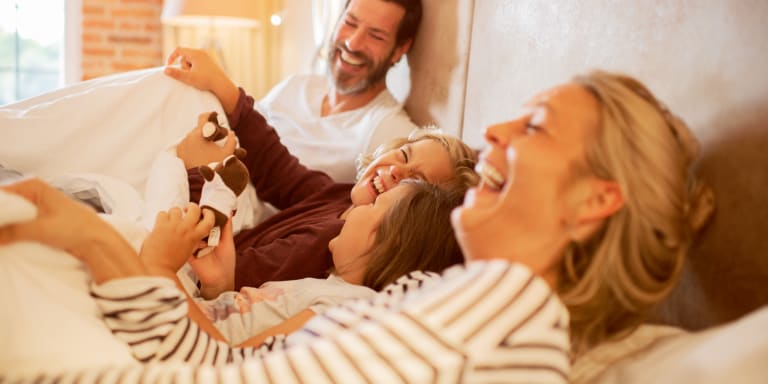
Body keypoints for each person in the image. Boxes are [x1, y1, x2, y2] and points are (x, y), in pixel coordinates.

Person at [0, 70, 714, 382]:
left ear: (593, 202)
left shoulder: (501, 316)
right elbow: (222, 365)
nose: (496, 130)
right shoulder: (429, 294)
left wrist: (108, 249)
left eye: (536, 127)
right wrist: (106, 250)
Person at [170, 86, 477, 293]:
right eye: (405, 155)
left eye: (415, 181)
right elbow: (280, 170)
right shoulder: (343, 197)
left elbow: (215, 270)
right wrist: (230, 93)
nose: (397, 170)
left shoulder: (330, 248)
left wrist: (198, 172)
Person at [165, 0, 424, 183]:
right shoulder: (298, 86)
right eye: (350, 23)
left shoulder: (388, 131)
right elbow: (241, 130)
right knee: (172, 86)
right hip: (201, 183)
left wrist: (222, 85)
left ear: (400, 49)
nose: (353, 43)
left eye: (376, 36)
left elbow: (284, 174)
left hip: (241, 218)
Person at [196, 179, 464, 346]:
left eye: (373, 205)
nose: (357, 207)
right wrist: (217, 286)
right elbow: (236, 322)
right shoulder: (328, 287)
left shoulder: (347, 307)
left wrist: (169, 279)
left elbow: (238, 362)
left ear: (385, 238)